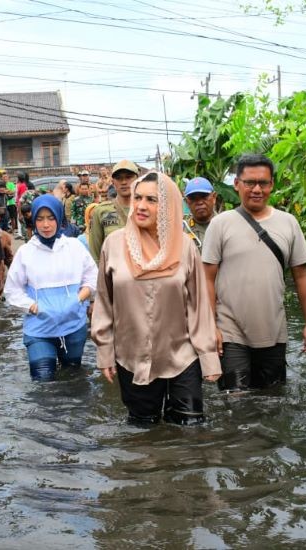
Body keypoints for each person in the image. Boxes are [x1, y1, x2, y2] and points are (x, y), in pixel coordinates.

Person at [91, 172, 221, 425]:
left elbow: (198, 305)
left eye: (152, 200)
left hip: (182, 355)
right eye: (137, 198)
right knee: (143, 431)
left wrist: (208, 356)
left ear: (168, 205)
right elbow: (104, 303)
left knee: (190, 430)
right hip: (133, 357)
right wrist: (104, 351)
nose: (140, 206)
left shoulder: (184, 246)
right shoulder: (114, 245)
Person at [202, 153, 306, 392]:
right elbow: (207, 278)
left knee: (272, 403)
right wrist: (211, 326)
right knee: (235, 403)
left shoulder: (288, 223)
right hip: (230, 331)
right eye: (249, 183)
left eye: (263, 183)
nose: (256, 189)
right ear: (237, 184)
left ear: (272, 184)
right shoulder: (220, 224)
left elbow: (302, 275)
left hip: (274, 331)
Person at [5, 195, 98, 381]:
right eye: (40, 219)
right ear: (33, 221)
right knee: (42, 379)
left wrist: (78, 298)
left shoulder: (74, 247)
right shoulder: (26, 252)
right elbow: (12, 290)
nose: (45, 225)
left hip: (73, 325)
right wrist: (33, 307)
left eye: (50, 218)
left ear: (59, 218)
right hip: (40, 327)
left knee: (73, 377)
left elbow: (93, 277)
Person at [88, 159, 138, 262]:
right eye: (119, 178)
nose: (124, 182)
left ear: (137, 180)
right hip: (113, 273)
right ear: (113, 182)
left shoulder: (148, 209)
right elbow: (95, 254)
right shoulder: (101, 211)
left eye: (128, 177)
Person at [183, 177, 217, 249]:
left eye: (204, 196)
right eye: (193, 198)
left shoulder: (226, 226)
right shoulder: (182, 231)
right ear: (186, 202)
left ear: (214, 197)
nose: (199, 202)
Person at [15, 172, 30, 236]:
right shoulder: (21, 185)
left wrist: (18, 202)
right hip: (19, 202)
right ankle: (21, 233)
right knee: (19, 218)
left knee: (21, 218)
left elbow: (22, 196)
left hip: (21, 203)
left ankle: (22, 233)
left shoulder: (22, 185)